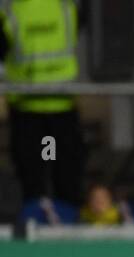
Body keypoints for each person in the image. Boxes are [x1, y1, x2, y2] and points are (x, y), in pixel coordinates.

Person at [0, 0, 84, 206]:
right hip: (59, 107)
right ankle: (65, 219)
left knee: (35, 173)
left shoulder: (11, 12)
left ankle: (39, 219)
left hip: (29, 110)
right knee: (61, 168)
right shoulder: (67, 8)